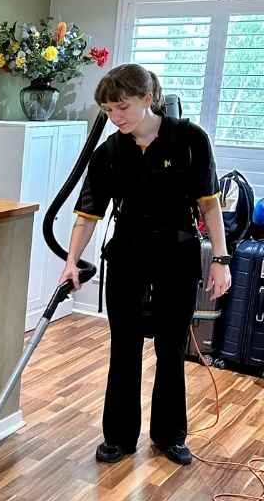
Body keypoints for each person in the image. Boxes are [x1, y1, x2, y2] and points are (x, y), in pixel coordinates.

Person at [59, 63, 232, 466]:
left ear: (148, 99)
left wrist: (221, 260)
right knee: (124, 347)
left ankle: (169, 436)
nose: (115, 117)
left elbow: (209, 204)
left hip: (177, 253)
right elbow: (87, 213)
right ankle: (118, 437)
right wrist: (71, 261)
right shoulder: (110, 152)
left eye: (122, 107)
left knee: (172, 348)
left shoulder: (189, 139)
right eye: (108, 109)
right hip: (127, 255)